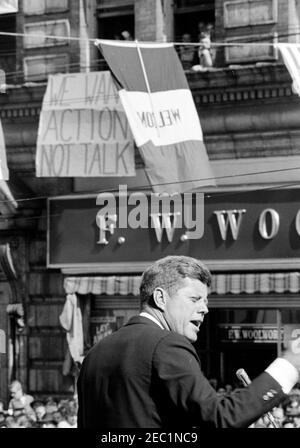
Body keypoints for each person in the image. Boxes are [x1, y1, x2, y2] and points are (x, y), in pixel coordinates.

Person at [77, 255, 300, 428]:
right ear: (160, 298)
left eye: (205, 301)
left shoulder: (95, 355)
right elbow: (220, 418)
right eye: (194, 299)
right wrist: (290, 364)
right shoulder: (166, 343)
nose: (205, 309)